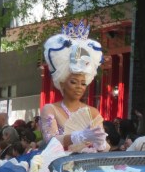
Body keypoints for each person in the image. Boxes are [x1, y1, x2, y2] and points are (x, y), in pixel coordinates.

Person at [40, 23, 108, 152]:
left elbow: (104, 145)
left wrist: (101, 144)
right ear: (62, 83)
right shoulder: (50, 109)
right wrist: (78, 136)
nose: (79, 87)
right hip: (59, 166)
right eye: (73, 82)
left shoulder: (93, 112)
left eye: (83, 83)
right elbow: (51, 140)